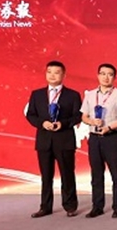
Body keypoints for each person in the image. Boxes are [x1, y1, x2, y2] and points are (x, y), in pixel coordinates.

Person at [25, 60, 82, 218]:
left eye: (56, 72)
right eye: (49, 72)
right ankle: (45, 207)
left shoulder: (73, 95)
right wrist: (42, 123)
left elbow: (78, 116)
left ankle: (70, 206)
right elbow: (31, 115)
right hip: (44, 140)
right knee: (46, 176)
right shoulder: (37, 95)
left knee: (67, 174)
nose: (52, 75)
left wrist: (62, 124)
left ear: (63, 75)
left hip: (64, 140)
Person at [80, 63, 117, 219]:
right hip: (94, 138)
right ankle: (97, 206)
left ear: (114, 77)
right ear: (98, 75)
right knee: (96, 174)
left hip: (111, 137)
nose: (106, 77)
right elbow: (84, 116)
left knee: (116, 173)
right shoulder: (90, 95)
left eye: (110, 74)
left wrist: (109, 127)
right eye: (102, 73)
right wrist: (91, 121)